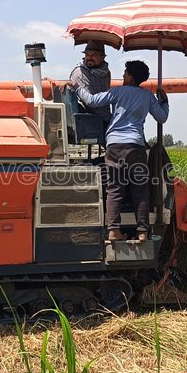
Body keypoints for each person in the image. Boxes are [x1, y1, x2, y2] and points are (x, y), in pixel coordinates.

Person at [76, 60, 169, 242]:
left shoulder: (118, 92)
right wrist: (164, 101)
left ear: (131, 76)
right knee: (140, 190)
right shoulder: (147, 96)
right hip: (136, 146)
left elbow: (93, 101)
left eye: (125, 73)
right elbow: (162, 117)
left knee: (115, 189)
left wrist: (78, 89)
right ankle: (142, 231)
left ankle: (113, 231)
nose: (123, 76)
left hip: (115, 146)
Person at [68, 40, 112, 131]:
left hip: (105, 117)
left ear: (102, 57)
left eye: (93, 55)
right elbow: (90, 103)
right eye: (87, 55)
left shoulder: (106, 73)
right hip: (90, 119)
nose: (89, 58)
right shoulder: (80, 73)